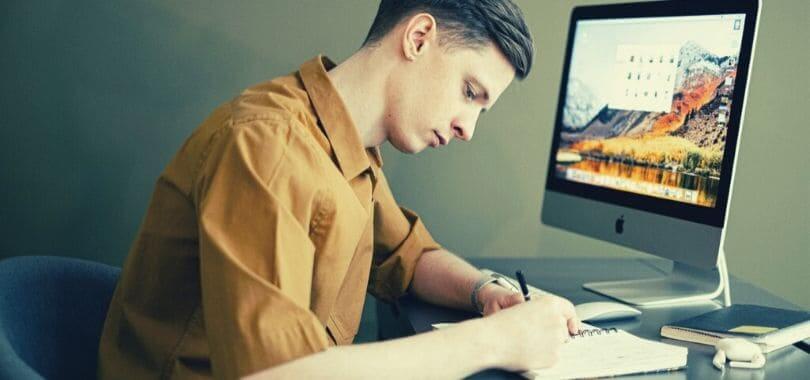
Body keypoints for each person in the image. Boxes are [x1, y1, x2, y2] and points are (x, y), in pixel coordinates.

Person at [98, 1, 580, 379]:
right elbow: (273, 375)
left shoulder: (348, 147)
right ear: (418, 38)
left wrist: (485, 293)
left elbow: (409, 256)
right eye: (469, 92)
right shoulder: (270, 146)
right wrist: (494, 342)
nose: (467, 128)